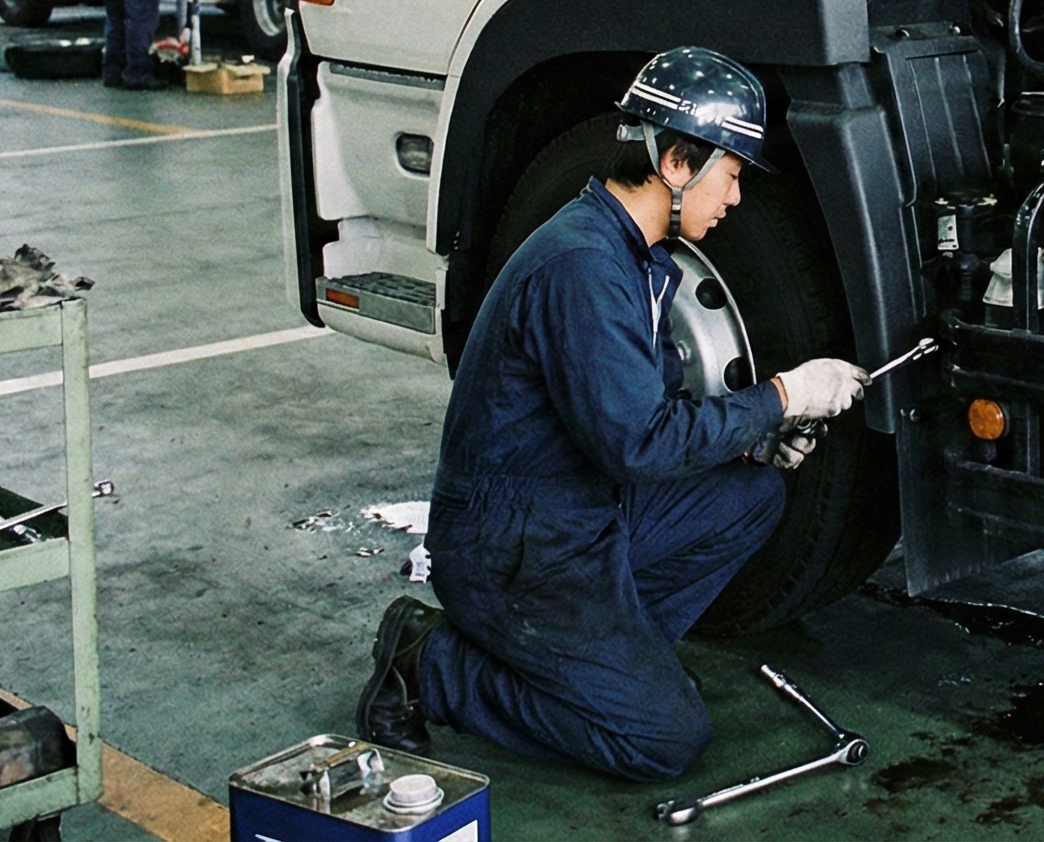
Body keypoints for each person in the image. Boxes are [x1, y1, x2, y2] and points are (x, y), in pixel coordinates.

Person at [356, 47, 869, 781]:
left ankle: (605, 668)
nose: (736, 198)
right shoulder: (585, 267)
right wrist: (782, 397)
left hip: (575, 513)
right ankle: (430, 663)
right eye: (731, 175)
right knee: (664, 741)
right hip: (514, 548)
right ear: (679, 162)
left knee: (752, 497)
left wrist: (756, 440)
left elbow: (646, 414)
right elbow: (638, 444)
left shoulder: (635, 257)